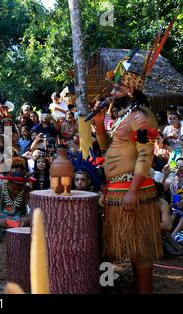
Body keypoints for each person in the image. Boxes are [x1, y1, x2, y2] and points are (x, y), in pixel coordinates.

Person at [91, 49, 163, 293]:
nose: (111, 93)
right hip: (115, 190)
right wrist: (99, 126)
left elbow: (145, 154)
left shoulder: (141, 118)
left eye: (116, 89)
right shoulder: (124, 117)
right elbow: (107, 149)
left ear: (130, 91)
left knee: (140, 247)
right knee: (127, 244)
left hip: (135, 190)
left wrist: (132, 191)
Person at [0, 157, 32, 241]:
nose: (17, 190)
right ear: (9, 182)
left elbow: (34, 210)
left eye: (20, 187)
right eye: (14, 187)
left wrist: (25, 221)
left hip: (20, 220)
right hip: (0, 219)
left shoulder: (27, 189)